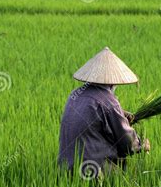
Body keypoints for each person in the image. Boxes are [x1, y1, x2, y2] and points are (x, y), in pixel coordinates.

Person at [58, 47, 150, 178]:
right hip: (92, 171)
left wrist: (120, 114)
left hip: (65, 168)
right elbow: (126, 142)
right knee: (124, 171)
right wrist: (141, 145)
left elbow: (93, 114)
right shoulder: (109, 101)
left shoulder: (75, 94)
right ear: (113, 82)